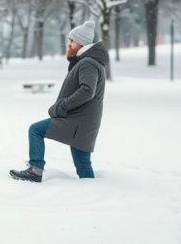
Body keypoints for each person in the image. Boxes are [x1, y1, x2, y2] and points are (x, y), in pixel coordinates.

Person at [10, 20, 109, 183]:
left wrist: (61, 106)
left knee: (35, 130)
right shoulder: (88, 61)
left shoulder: (88, 63)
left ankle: (35, 170)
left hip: (78, 121)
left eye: (72, 41)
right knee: (83, 164)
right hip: (84, 122)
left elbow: (87, 91)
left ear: (81, 43)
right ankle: (92, 191)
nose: (68, 44)